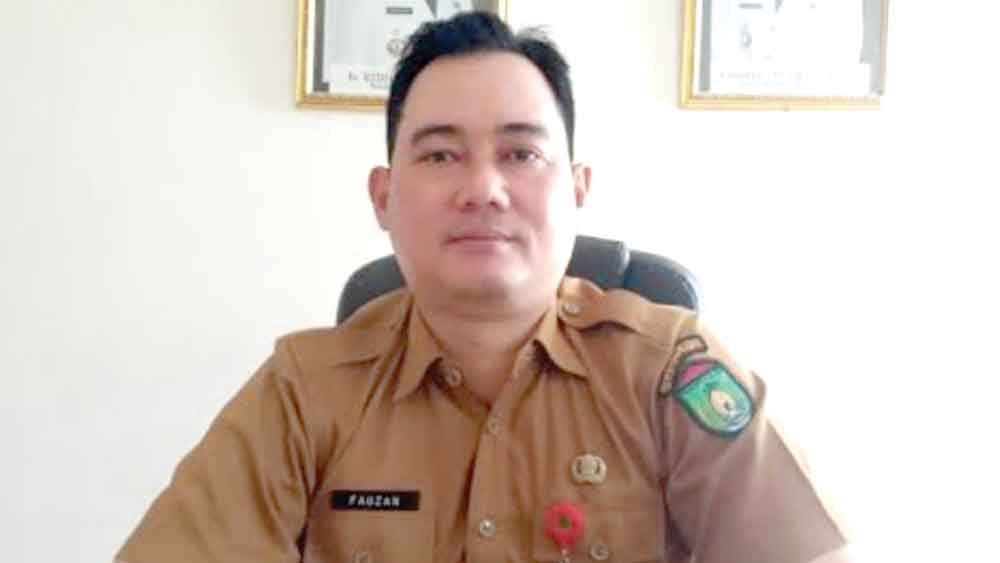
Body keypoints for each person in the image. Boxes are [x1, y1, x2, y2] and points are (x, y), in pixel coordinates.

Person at [116, 11, 853, 563]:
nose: (484, 188)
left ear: (577, 190)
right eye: (440, 155)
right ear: (383, 197)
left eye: (521, 153)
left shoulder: (667, 374)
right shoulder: (303, 394)